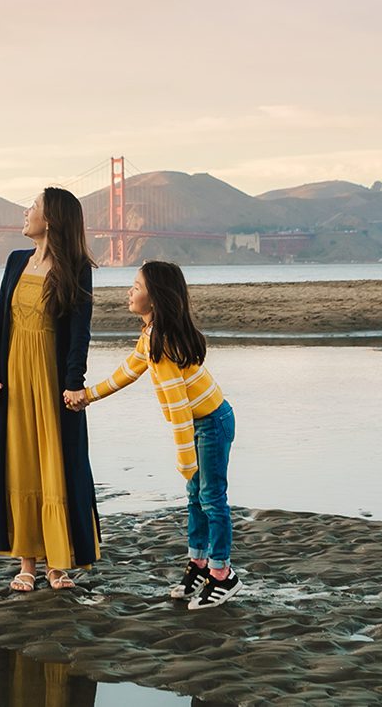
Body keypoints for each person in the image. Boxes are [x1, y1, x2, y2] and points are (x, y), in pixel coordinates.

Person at [64, 261, 241, 609]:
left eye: (136, 286)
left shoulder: (164, 344)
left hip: (210, 422)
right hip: (201, 424)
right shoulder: (151, 337)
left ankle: (223, 575)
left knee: (211, 498)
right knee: (197, 498)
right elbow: (126, 372)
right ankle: (199, 564)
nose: (129, 292)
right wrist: (87, 395)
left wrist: (185, 461)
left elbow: (179, 411)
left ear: (155, 298)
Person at [0, 187, 99, 592]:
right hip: (15, 380)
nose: (26, 212)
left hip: (49, 382)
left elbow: (80, 334)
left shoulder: (77, 268)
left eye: (33, 207)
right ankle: (26, 563)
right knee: (21, 463)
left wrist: (73, 385)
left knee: (55, 464)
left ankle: (57, 563)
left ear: (50, 220)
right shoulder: (16, 262)